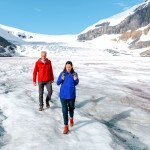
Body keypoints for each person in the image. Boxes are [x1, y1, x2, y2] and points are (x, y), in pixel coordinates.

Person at [57, 61, 79, 134]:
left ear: (71, 67)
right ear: (65, 67)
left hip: (71, 95)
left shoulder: (74, 74)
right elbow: (57, 83)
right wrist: (61, 79)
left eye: (69, 67)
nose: (68, 68)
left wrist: (76, 79)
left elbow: (76, 83)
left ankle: (71, 118)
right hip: (63, 95)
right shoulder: (63, 73)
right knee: (64, 110)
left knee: (71, 108)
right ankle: (66, 125)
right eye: (67, 67)